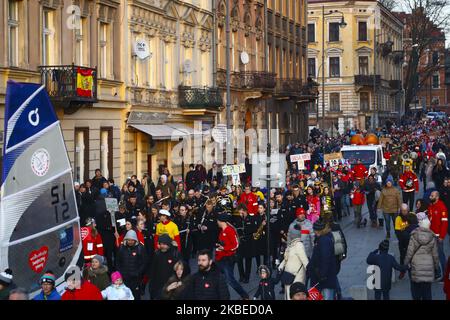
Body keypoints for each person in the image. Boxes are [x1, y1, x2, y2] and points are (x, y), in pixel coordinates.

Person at [404, 213, 440, 300]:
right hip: (428, 268)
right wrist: (436, 267)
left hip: (416, 267)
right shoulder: (432, 237)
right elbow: (435, 255)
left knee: (415, 290)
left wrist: (405, 263)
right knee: (427, 291)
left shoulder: (414, 235)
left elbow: (409, 252)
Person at [215, 213, 249, 300]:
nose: (217, 222)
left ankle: (244, 295)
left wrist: (224, 248)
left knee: (230, 280)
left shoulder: (230, 230)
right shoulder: (221, 231)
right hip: (220, 259)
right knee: (218, 279)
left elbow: (236, 245)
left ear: (221, 221)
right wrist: (218, 246)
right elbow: (223, 244)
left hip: (227, 260)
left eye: (217, 220)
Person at [307, 220, 337, 300]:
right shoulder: (321, 239)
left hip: (324, 279)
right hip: (320, 278)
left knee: (326, 297)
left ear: (319, 230)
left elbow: (325, 259)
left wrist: (322, 275)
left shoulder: (324, 240)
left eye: (315, 230)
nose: (314, 232)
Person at [116, 230, 148, 300]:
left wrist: (138, 273)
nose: (130, 242)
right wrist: (120, 273)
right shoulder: (121, 248)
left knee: (136, 296)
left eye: (132, 240)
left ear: (135, 240)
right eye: (128, 240)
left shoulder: (140, 248)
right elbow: (118, 262)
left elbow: (144, 263)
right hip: (124, 278)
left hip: (135, 279)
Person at [149, 234, 181, 300]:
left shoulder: (175, 254)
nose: (162, 246)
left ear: (169, 244)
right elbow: (152, 271)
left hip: (171, 285)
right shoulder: (157, 254)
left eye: (164, 244)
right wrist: (151, 287)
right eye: (160, 244)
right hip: (158, 286)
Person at [428, 191, 448, 276]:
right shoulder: (431, 206)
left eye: (432, 196)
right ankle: (437, 272)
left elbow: (444, 223)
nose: (430, 197)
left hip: (438, 236)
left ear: (437, 197)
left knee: (440, 255)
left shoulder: (442, 207)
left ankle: (445, 273)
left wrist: (442, 236)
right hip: (431, 235)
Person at [394, 204, 411, 280]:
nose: (404, 212)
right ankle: (402, 271)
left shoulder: (411, 216)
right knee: (402, 257)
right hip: (402, 241)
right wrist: (402, 241)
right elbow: (397, 232)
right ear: (400, 211)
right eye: (403, 211)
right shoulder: (398, 218)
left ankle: (412, 271)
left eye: (406, 210)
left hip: (411, 241)